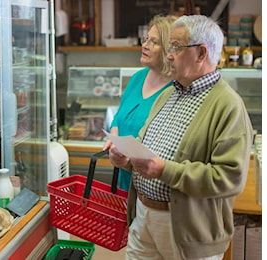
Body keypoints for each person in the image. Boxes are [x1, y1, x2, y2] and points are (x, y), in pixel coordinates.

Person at [108, 15, 253, 260]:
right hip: (143, 217)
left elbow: (229, 178)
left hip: (187, 230)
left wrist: (165, 170)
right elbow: (145, 149)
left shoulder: (227, 105)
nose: (168, 54)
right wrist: (126, 158)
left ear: (201, 53)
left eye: (176, 47)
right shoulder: (168, 95)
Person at [103, 14, 177, 191]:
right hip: (125, 182)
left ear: (169, 50)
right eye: (146, 39)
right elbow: (119, 118)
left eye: (154, 42)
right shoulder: (138, 78)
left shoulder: (177, 89)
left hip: (153, 187)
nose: (145, 45)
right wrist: (114, 142)